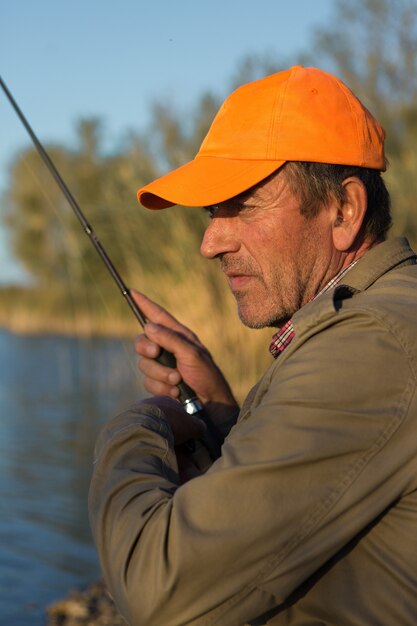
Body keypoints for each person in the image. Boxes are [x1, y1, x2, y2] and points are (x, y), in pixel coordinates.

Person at [88, 65, 417, 625]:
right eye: (213, 211)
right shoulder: (376, 318)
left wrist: (142, 424)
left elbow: (159, 589)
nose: (210, 242)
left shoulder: (371, 343)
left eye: (242, 204)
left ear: (344, 210)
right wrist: (218, 411)